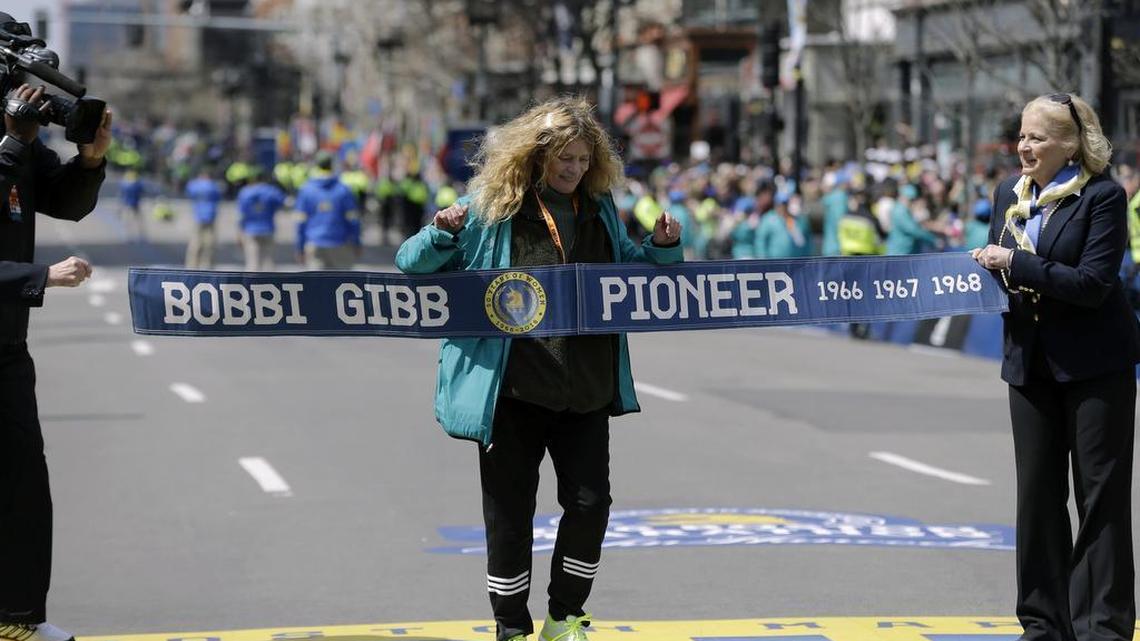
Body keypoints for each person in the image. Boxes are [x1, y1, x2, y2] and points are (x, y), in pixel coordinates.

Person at [396, 97, 682, 641]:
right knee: (509, 515)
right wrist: (442, 233)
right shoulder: (489, 207)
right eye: (564, 159)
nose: (574, 169)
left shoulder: (598, 208)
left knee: (591, 504)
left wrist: (664, 248)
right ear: (535, 156)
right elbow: (412, 264)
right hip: (511, 393)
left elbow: (631, 272)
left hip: (586, 390)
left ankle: (565, 616)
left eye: (581, 159)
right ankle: (511, 626)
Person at [971, 93, 1140, 641]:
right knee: (1038, 498)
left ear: (1070, 143)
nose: (1024, 146)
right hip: (1029, 365)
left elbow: (1093, 285)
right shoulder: (1007, 195)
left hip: (1096, 366)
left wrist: (1016, 262)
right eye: (1021, 135)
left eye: (1037, 137)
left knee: (1100, 500)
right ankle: (1043, 624)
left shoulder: (1103, 198)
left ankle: (1102, 628)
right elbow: (1001, 275)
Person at [0, 77, 112, 641]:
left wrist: (89, 162)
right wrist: (41, 274)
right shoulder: (11, 140)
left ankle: (14, 620)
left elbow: (64, 202)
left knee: (22, 487)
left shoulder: (15, 139)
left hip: (5, 346)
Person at [295, 151, 360, 269]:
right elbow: (353, 219)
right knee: (343, 284)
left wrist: (300, 247)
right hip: (341, 244)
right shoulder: (343, 189)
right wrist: (356, 242)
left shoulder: (306, 190)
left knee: (317, 286)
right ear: (331, 165)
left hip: (314, 244)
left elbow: (300, 222)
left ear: (316, 165)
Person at [236, 168, 287, 270]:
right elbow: (283, 203)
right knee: (268, 262)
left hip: (250, 229)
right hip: (268, 228)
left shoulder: (245, 192)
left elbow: (241, 214)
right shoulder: (271, 191)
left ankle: (251, 285)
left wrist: (239, 232)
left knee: (252, 263)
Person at [184, 169, 222, 269]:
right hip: (211, 215)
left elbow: (189, 194)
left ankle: (192, 264)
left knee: (195, 242)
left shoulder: (194, 185)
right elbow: (218, 197)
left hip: (198, 215)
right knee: (209, 243)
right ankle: (207, 264)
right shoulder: (214, 186)